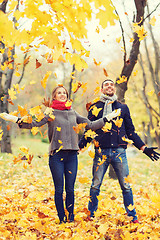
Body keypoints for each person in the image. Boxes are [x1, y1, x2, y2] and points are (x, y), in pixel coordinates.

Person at [0, 85, 121, 224]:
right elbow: (35, 123)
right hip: (56, 156)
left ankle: (70, 218)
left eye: (64, 93)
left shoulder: (73, 113)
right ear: (55, 96)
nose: (63, 95)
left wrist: (108, 117)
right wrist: (15, 119)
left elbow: (91, 125)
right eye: (59, 93)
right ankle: (61, 219)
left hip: (72, 157)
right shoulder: (51, 112)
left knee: (70, 189)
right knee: (59, 189)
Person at [79, 79, 160, 223]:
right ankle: (91, 214)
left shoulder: (123, 108)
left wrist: (143, 148)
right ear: (102, 89)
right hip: (100, 152)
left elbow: (130, 132)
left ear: (114, 89)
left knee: (126, 186)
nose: (109, 86)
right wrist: (79, 147)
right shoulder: (95, 107)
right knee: (95, 184)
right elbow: (89, 130)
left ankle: (132, 215)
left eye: (111, 84)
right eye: (106, 85)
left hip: (119, 152)